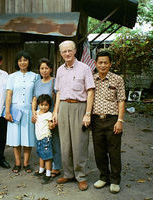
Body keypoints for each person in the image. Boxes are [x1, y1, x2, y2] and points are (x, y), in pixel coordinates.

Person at [53, 40, 95, 191]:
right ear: (61, 53)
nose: (67, 54)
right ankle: (68, 173)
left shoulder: (85, 68)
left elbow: (90, 91)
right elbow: (58, 92)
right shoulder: (59, 70)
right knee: (65, 144)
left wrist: (88, 114)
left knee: (79, 144)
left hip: (80, 107)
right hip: (64, 106)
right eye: (64, 51)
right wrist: (55, 111)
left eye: (69, 50)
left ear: (75, 51)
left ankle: (81, 176)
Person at [91, 51, 125, 194]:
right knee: (99, 151)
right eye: (100, 62)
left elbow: (121, 100)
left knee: (114, 151)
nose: (103, 65)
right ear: (95, 64)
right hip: (96, 120)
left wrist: (120, 121)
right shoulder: (91, 79)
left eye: (106, 62)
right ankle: (104, 177)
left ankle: (115, 179)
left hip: (112, 120)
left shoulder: (117, 79)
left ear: (110, 64)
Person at [5, 50, 40, 173]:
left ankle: (26, 163)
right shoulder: (12, 77)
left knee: (28, 138)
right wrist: (7, 111)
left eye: (25, 60)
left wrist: (35, 111)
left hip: (29, 110)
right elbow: (9, 95)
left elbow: (36, 96)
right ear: (17, 62)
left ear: (29, 61)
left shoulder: (35, 76)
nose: (22, 62)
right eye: (20, 60)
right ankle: (17, 163)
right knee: (16, 138)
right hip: (15, 110)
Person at [31, 58, 61, 178]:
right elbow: (34, 99)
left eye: (46, 68)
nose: (44, 70)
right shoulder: (37, 83)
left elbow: (58, 97)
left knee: (54, 141)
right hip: (40, 116)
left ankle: (56, 167)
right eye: (42, 68)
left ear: (51, 69)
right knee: (42, 141)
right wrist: (34, 112)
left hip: (51, 115)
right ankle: (43, 168)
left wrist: (55, 113)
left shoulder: (54, 81)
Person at [33, 94, 56, 184]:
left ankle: (48, 174)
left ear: (49, 105)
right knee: (40, 154)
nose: (43, 107)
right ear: (38, 105)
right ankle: (41, 170)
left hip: (45, 138)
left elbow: (52, 124)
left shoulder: (49, 115)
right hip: (39, 138)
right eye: (42, 105)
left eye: (46, 105)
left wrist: (52, 125)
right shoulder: (37, 113)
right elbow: (33, 120)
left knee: (47, 156)